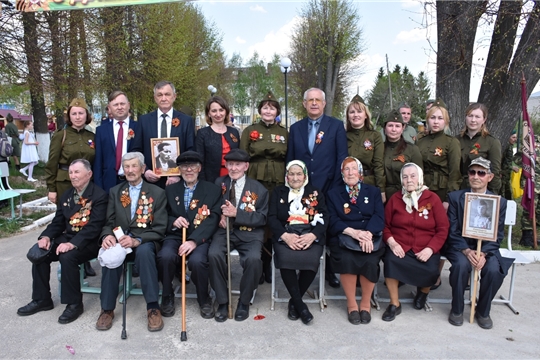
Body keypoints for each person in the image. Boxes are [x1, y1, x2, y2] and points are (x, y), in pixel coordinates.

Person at [17, 159, 108, 324]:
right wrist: (45, 237)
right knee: (40, 253)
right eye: (71, 172)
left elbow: (94, 227)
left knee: (68, 257)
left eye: (77, 172)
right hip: (68, 236)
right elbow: (58, 222)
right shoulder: (67, 194)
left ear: (89, 174)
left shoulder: (99, 195)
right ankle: (42, 299)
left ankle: (74, 304)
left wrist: (72, 244)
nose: (73, 176)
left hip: (89, 241)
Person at [96, 152, 167, 332]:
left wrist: (137, 240)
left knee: (144, 252)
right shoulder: (115, 191)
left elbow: (160, 228)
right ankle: (107, 309)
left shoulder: (157, 193)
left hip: (145, 240)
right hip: (120, 240)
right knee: (112, 252)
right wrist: (107, 236)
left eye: (134, 166)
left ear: (143, 169)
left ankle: (152, 308)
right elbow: (109, 222)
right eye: (126, 167)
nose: (130, 170)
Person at [286, 87, 348, 289]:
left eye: (317, 100)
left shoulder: (336, 126)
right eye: (310, 100)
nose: (314, 103)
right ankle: (300, 264)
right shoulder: (295, 128)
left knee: (326, 227)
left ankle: (329, 270)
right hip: (302, 188)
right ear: (304, 104)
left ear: (324, 103)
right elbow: (291, 159)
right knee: (301, 223)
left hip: (328, 187)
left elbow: (341, 158)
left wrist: (337, 186)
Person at [445, 157, 513, 329]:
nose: (476, 176)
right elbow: (452, 231)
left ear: (489, 177)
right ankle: (457, 309)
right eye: (472, 172)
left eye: (481, 173)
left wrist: (483, 253)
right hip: (461, 247)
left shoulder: (500, 202)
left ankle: (483, 311)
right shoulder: (455, 198)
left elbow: (498, 235)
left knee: (492, 269)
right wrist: (467, 251)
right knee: (460, 266)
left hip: (486, 248)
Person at [157, 151, 221, 319]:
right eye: (184, 167)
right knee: (165, 256)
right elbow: (162, 214)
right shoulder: (170, 190)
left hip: (200, 237)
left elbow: (213, 218)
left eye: (192, 166)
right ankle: (167, 295)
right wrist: (173, 221)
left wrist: (194, 241)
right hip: (175, 235)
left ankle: (204, 298)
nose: (189, 170)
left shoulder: (212, 190)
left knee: (197, 260)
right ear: (179, 169)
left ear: (199, 168)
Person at [382, 163, 449, 321]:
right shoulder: (395, 199)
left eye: (413, 176)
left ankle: (423, 293)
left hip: (425, 246)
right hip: (401, 245)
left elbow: (443, 228)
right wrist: (392, 243)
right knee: (391, 261)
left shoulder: (432, 199)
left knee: (431, 269)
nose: (409, 180)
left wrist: (430, 249)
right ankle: (394, 304)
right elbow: (385, 226)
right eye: (405, 177)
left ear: (420, 178)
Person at [208, 149, 268, 322]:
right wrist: (218, 216)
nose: (233, 168)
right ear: (226, 165)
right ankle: (222, 300)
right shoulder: (219, 183)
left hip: (249, 234)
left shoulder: (259, 189)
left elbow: (262, 218)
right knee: (213, 254)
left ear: (246, 166)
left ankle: (244, 301)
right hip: (224, 231)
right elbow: (211, 205)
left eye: (238, 164)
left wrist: (237, 214)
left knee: (254, 260)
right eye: (230, 164)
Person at [267, 160, 328, 325]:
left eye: (299, 174)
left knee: (312, 259)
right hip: (286, 234)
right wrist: (285, 236)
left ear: (305, 175)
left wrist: (313, 236)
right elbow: (271, 218)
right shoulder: (278, 192)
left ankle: (294, 301)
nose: (295, 178)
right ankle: (300, 305)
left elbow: (324, 217)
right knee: (286, 258)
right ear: (286, 176)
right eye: (291, 174)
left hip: (309, 235)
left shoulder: (315, 192)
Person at [325, 157, 384, 325]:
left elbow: (379, 216)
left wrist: (367, 234)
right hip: (344, 235)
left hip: (369, 235)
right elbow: (332, 220)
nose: (350, 173)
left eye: (354, 169)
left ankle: (365, 304)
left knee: (371, 260)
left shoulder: (373, 192)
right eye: (346, 169)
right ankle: (351, 304)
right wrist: (353, 233)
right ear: (341, 173)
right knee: (346, 259)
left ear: (360, 172)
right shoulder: (333, 194)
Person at [45, 98, 97, 278]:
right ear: (69, 116)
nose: (77, 117)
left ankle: (84, 258)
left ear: (86, 115)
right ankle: (64, 258)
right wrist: (51, 187)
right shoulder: (61, 135)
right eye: (73, 113)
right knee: (67, 221)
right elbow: (51, 163)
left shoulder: (91, 137)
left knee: (85, 220)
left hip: (86, 183)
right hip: (64, 182)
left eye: (81, 113)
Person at [240, 91, 288, 284]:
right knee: (255, 217)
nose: (268, 111)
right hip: (255, 178)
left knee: (272, 219)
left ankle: (268, 264)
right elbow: (242, 157)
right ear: (260, 110)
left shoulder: (284, 132)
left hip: (277, 179)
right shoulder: (249, 130)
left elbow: (289, 156)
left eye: (272, 107)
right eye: (265, 107)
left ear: (277, 111)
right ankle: (256, 265)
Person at [133, 80, 195, 189]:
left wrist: (179, 173)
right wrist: (145, 170)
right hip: (151, 182)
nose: (163, 98)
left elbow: (190, 150)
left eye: (167, 94)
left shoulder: (186, 121)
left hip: (178, 181)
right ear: (155, 98)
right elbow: (136, 150)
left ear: (174, 96)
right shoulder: (144, 120)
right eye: (160, 95)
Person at [417, 98, 462, 206]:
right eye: (433, 118)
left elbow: (455, 173)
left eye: (440, 118)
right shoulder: (420, 141)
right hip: (422, 190)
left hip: (441, 191)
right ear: (427, 120)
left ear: (445, 121)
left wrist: (448, 198)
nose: (436, 122)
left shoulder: (451, 142)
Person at [94, 90, 139, 193]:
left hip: (134, 181)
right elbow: (98, 162)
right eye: (115, 105)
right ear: (109, 108)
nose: (119, 107)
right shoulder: (101, 131)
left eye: (122, 104)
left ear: (128, 105)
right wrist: (99, 188)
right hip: (108, 184)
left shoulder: (138, 127)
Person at [345, 95, 385, 201]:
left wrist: (381, 190)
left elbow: (378, 165)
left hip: (369, 184)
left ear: (366, 115)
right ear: (348, 116)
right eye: (352, 112)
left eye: (359, 111)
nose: (356, 115)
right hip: (346, 184)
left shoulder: (374, 136)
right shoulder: (342, 136)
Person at [457, 103, 502, 194]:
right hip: (458, 190)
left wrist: (492, 195)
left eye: (477, 117)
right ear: (466, 118)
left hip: (480, 190)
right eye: (470, 116)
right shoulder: (456, 140)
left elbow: (495, 172)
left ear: (484, 120)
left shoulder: (491, 142)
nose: (473, 120)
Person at [195, 96, 240, 183]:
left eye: (221, 110)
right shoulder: (202, 133)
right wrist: (203, 182)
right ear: (209, 113)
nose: (218, 114)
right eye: (214, 111)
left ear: (226, 111)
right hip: (211, 179)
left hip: (234, 176)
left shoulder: (234, 132)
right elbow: (200, 160)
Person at [382, 110, 423, 200]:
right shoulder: (380, 148)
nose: (393, 129)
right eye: (390, 125)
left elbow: (420, 176)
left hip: (406, 196)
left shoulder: (412, 149)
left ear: (403, 128)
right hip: (383, 196)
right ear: (385, 128)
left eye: (397, 126)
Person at [500, 131, 518, 200]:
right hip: (502, 173)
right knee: (502, 191)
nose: (515, 139)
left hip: (506, 173)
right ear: (508, 137)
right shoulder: (505, 146)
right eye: (513, 137)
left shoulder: (510, 146)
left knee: (507, 190)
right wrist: (511, 167)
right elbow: (501, 161)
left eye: (516, 137)